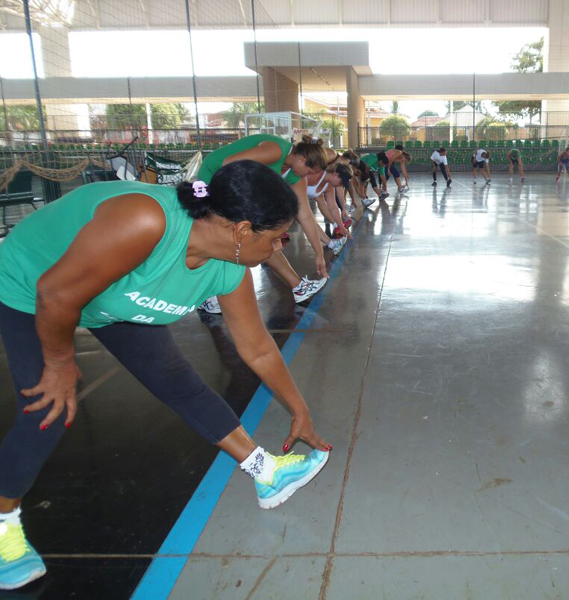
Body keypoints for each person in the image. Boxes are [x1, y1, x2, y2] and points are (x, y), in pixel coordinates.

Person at [0, 163, 332, 590]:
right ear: (243, 230)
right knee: (46, 406)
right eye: (275, 239)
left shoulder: (228, 269)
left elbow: (258, 347)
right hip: (33, 285)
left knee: (176, 378)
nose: (278, 248)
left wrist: (298, 409)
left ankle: (265, 471)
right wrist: (61, 364)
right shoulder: (145, 221)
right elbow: (57, 292)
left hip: (107, 295)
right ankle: (4, 523)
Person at [196, 135, 345, 313]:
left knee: (263, 237)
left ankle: (298, 287)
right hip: (212, 177)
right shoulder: (275, 151)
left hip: (240, 185)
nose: (310, 177)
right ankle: (205, 295)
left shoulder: (296, 175)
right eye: (310, 171)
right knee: (224, 238)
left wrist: (319, 253)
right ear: (302, 160)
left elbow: (305, 216)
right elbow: (228, 164)